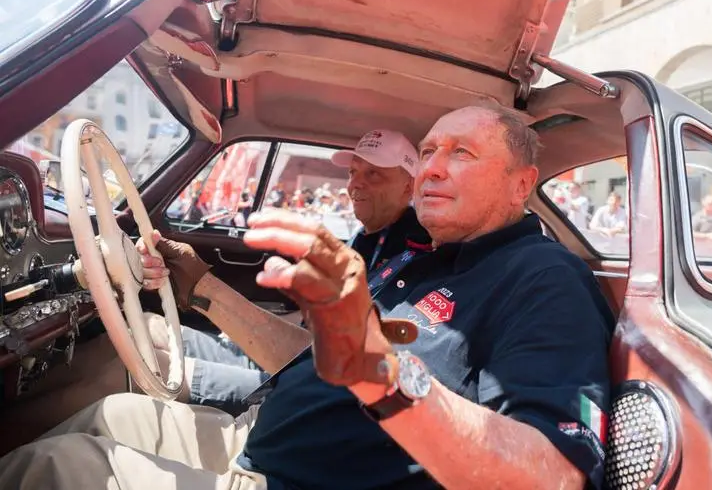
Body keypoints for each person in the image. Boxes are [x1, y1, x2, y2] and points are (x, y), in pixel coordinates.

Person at [0, 105, 613, 490]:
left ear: (521, 184)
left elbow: (551, 475)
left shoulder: (546, 281)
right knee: (103, 418)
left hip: (292, 477)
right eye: (428, 152)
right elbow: (321, 357)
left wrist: (378, 367)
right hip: (260, 437)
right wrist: (205, 291)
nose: (431, 168)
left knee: (49, 468)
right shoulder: (432, 262)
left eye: (462, 153)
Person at [144, 128, 427, 416]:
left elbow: (337, 358)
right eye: (354, 172)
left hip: (299, 381)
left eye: (374, 174)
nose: (355, 184)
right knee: (146, 327)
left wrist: (204, 289)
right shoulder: (363, 239)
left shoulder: (412, 257)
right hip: (287, 357)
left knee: (139, 367)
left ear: (409, 186)